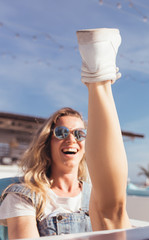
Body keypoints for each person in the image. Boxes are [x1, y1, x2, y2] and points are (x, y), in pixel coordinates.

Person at [0, 28, 131, 239]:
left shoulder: (94, 193)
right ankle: (98, 78)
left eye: (80, 134)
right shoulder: (23, 196)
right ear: (47, 142)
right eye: (61, 132)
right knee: (110, 214)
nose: (72, 139)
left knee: (113, 212)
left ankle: (98, 78)